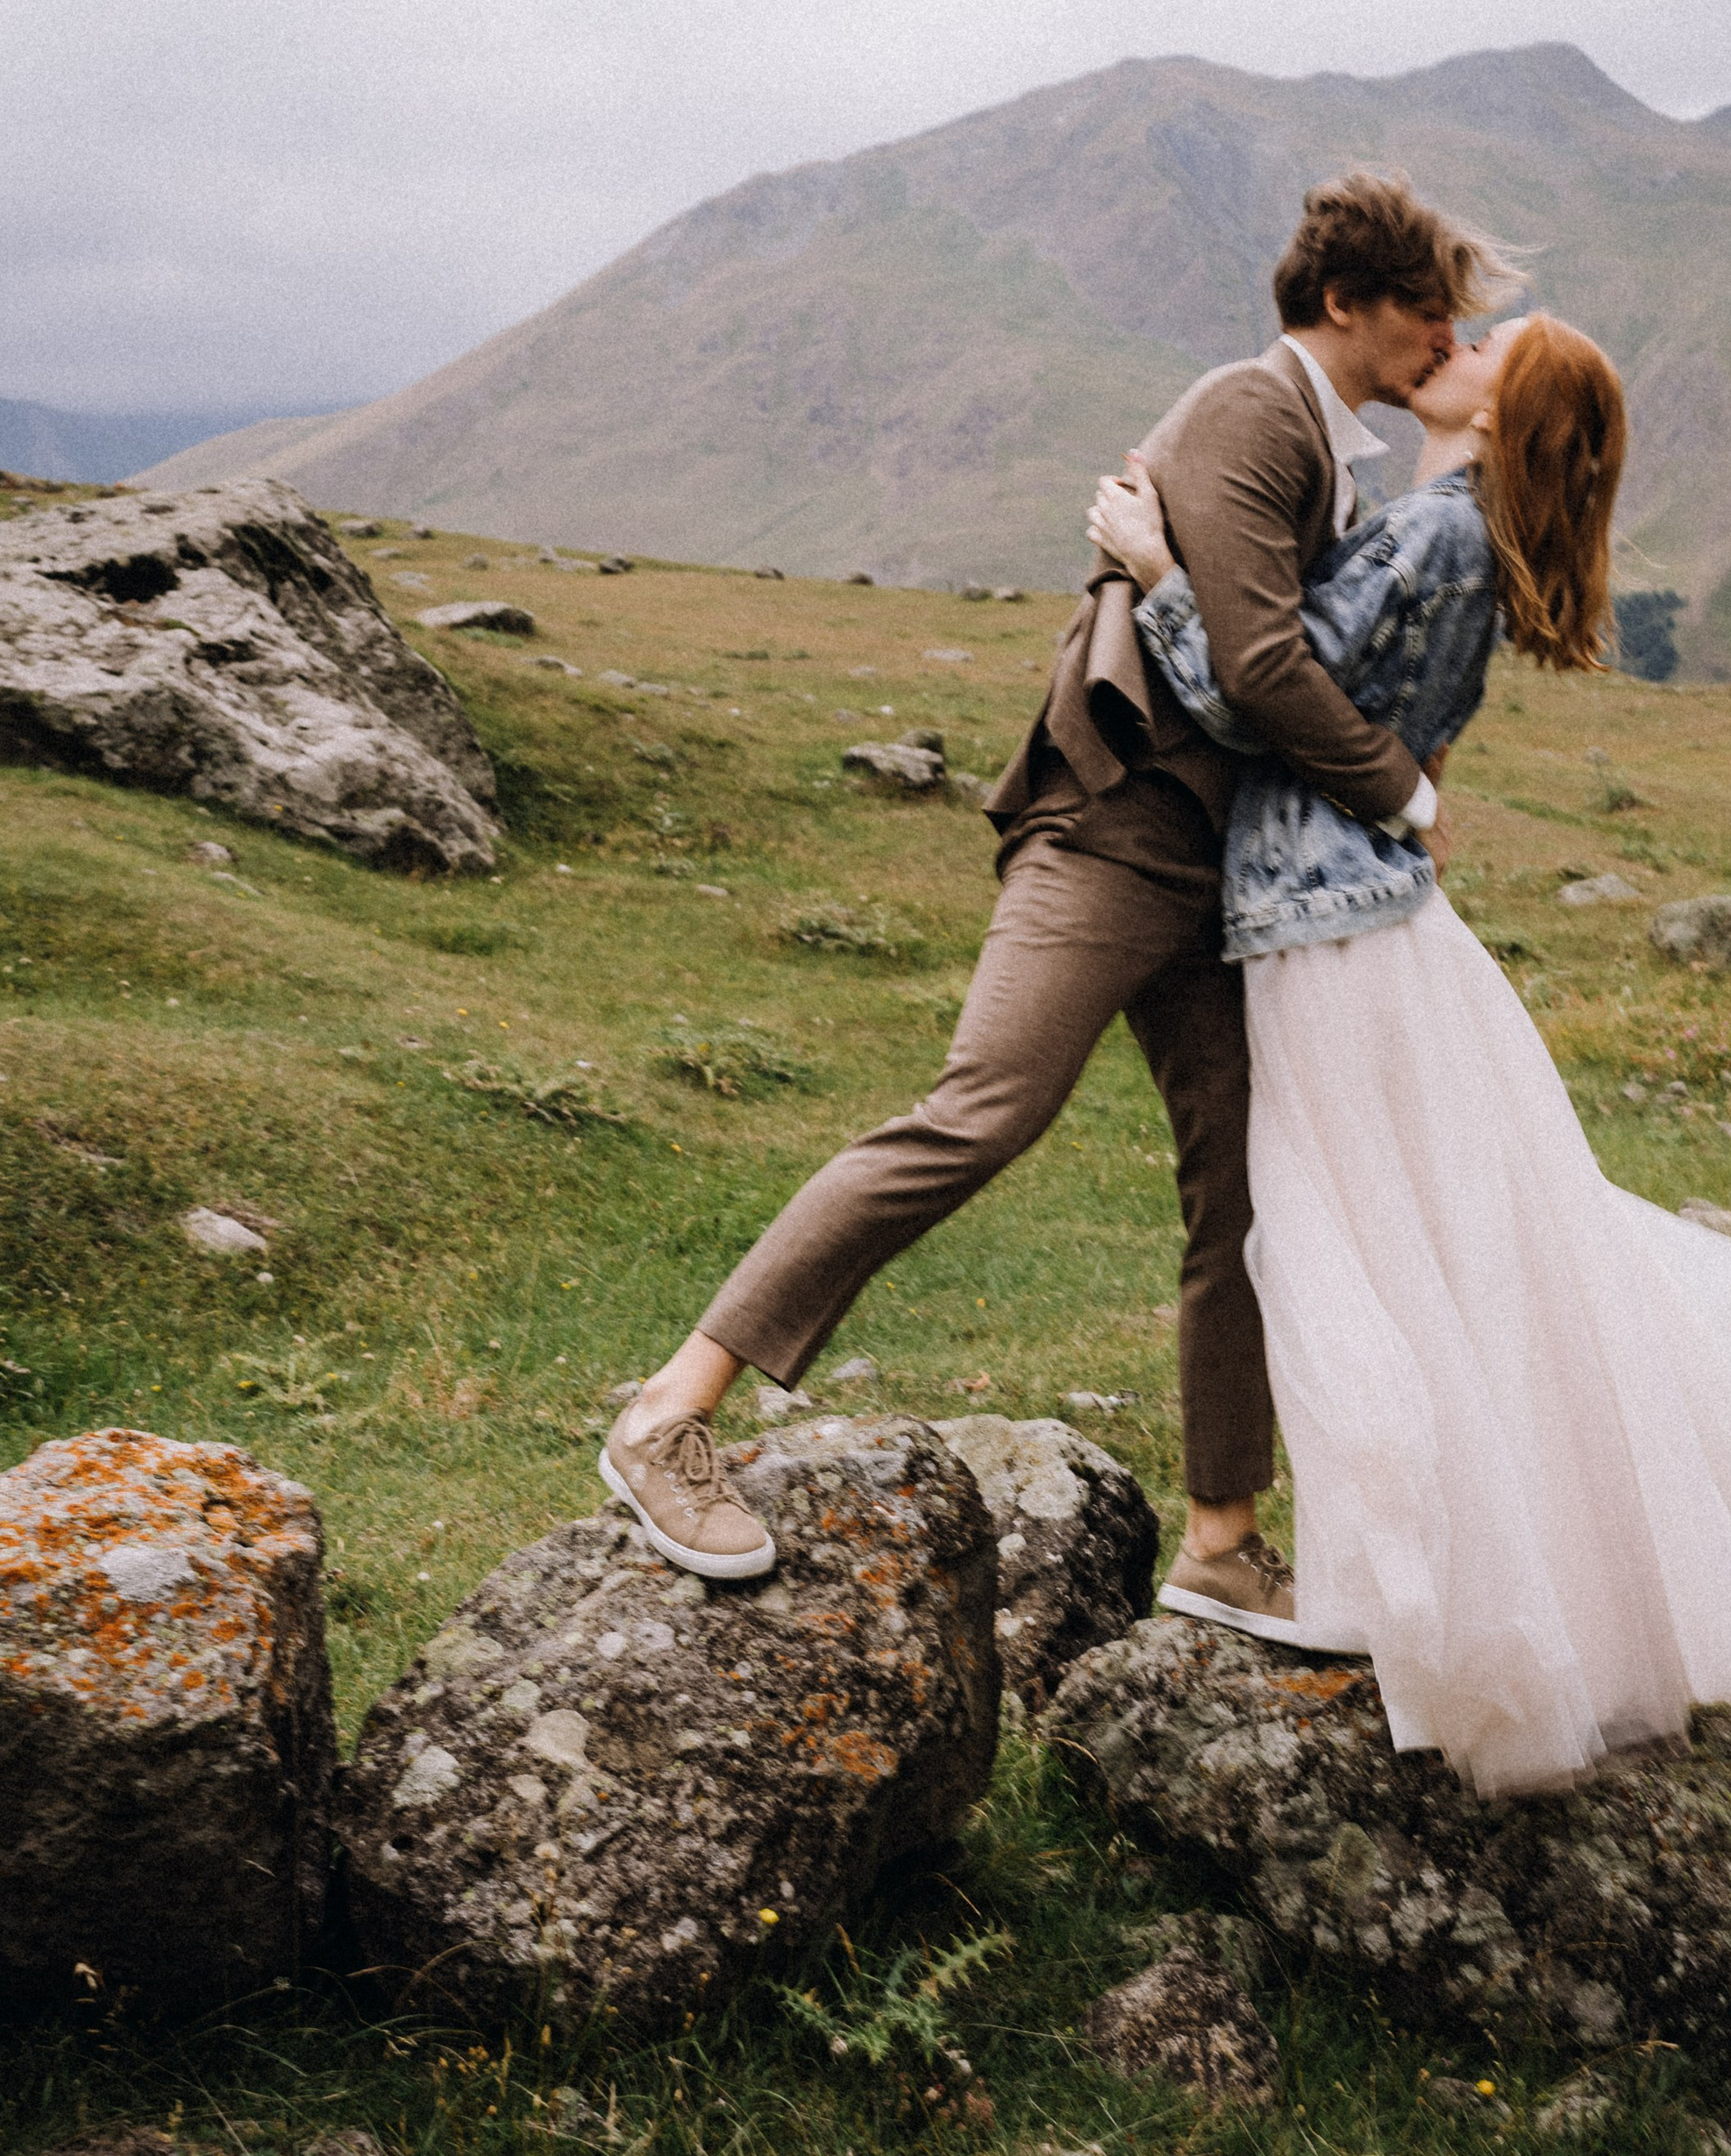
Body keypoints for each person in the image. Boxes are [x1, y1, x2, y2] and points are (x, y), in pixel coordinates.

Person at [600, 169, 1508, 1620]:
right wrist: (1406, 795)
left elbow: (1270, 654)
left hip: (1220, 878)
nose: (1445, 340)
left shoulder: (1338, 461)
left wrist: (1176, 586)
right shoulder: (1248, 411)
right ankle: (667, 1411)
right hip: (1111, 830)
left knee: (1247, 1199)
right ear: (1349, 304)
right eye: (1429, 311)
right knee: (982, 1111)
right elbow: (1262, 669)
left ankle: (1222, 1541)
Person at [1086, 312, 1731, 1795]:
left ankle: (1453, 1615)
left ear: (1508, 417)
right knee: (1442, 1259)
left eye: (1490, 346)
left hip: (1332, 938)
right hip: (1360, 923)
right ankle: (1489, 1600)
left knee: (1349, 1261)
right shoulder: (1433, 525)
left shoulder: (1441, 534)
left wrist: (1156, 568)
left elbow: (1262, 697)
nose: (1454, 340)